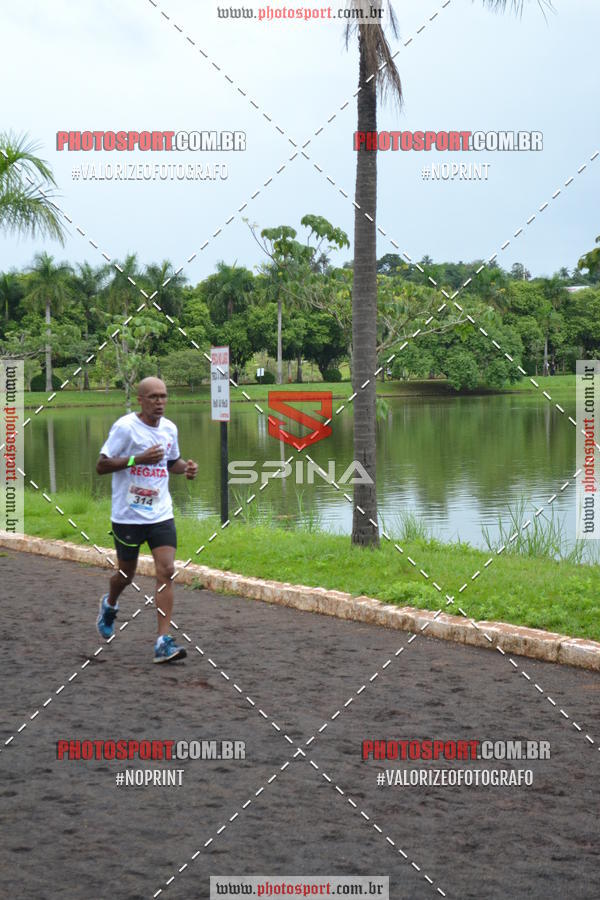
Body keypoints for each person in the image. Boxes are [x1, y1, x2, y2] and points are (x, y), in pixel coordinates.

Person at [95, 377, 198, 663]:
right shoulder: (125, 428)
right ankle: (110, 604)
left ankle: (162, 641)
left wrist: (186, 468)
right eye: (153, 397)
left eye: (163, 396)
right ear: (140, 399)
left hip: (161, 513)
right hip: (127, 516)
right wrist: (136, 460)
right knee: (126, 575)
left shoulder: (169, 429)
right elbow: (101, 465)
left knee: (167, 570)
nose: (159, 402)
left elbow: (170, 463)